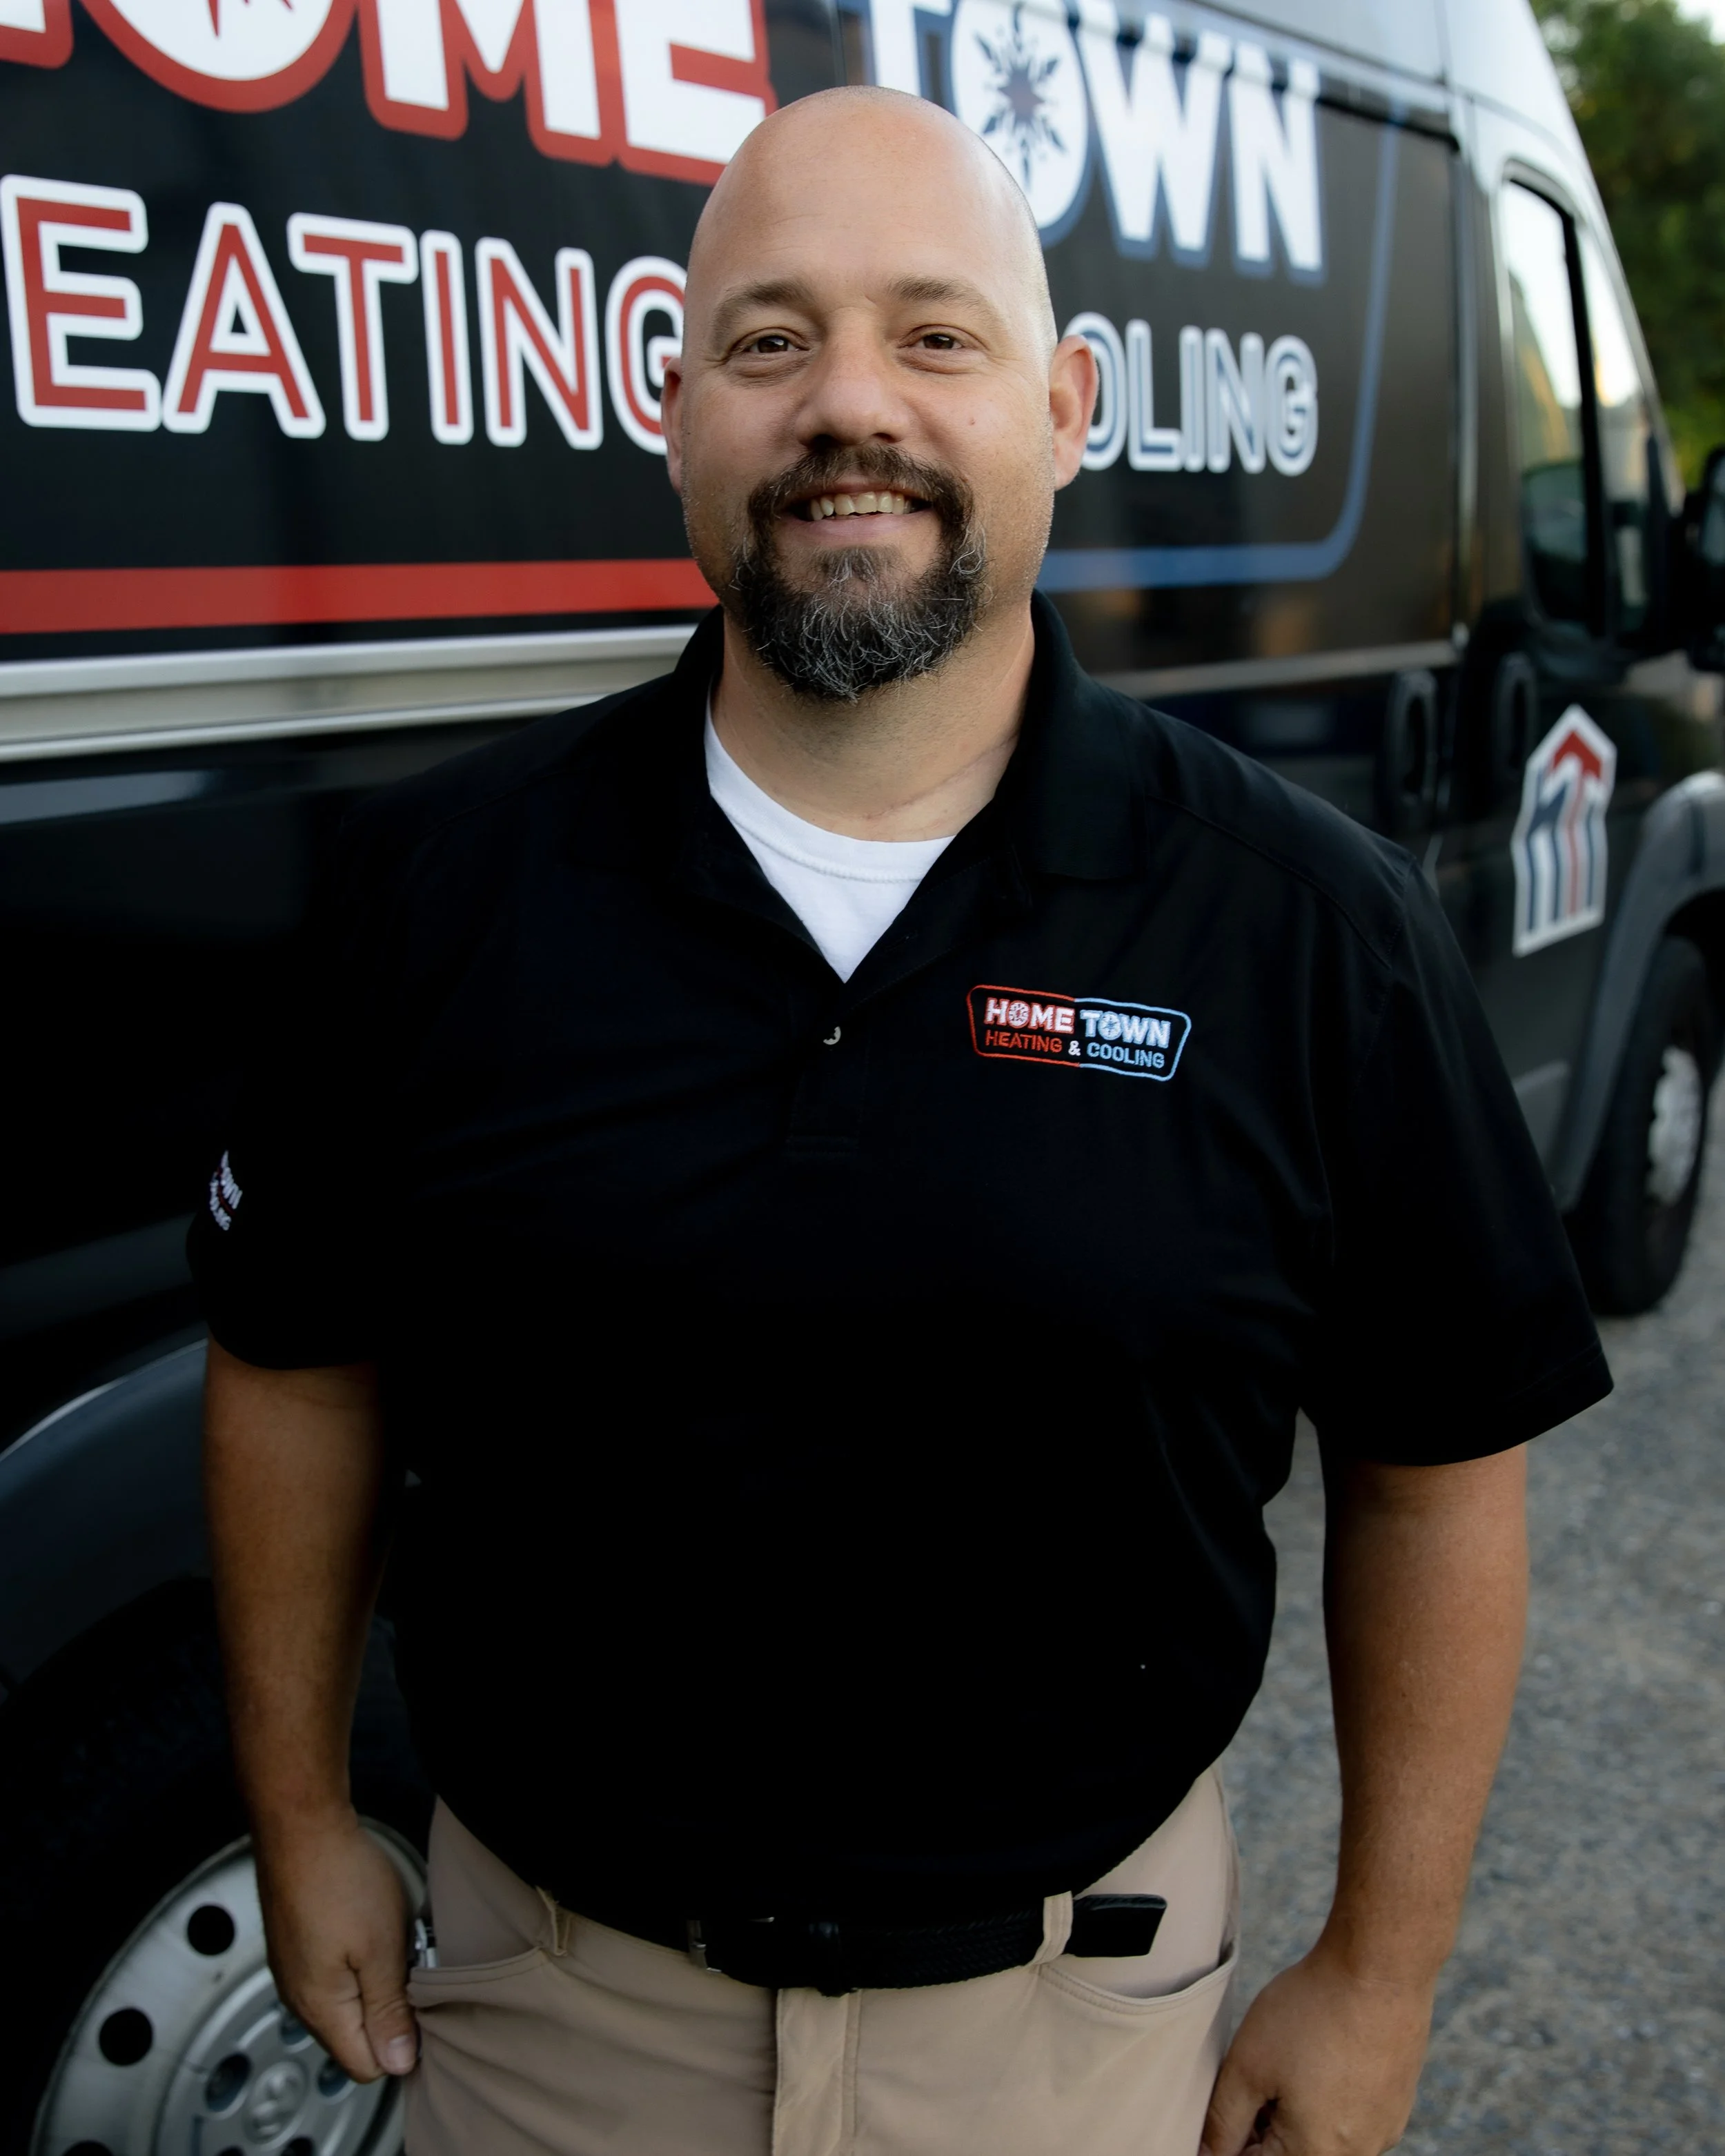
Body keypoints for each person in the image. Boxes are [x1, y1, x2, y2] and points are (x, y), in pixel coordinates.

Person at [194, 86, 1610, 2156]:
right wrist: (301, 1808)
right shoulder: (437, 894)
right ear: (670, 408)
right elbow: (296, 1367)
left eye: (933, 335)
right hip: (543, 2014)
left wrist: (1381, 1968)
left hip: (1071, 2039)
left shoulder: (1311, 929)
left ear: (1067, 403)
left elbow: (1431, 1468)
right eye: (768, 341)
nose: (847, 403)